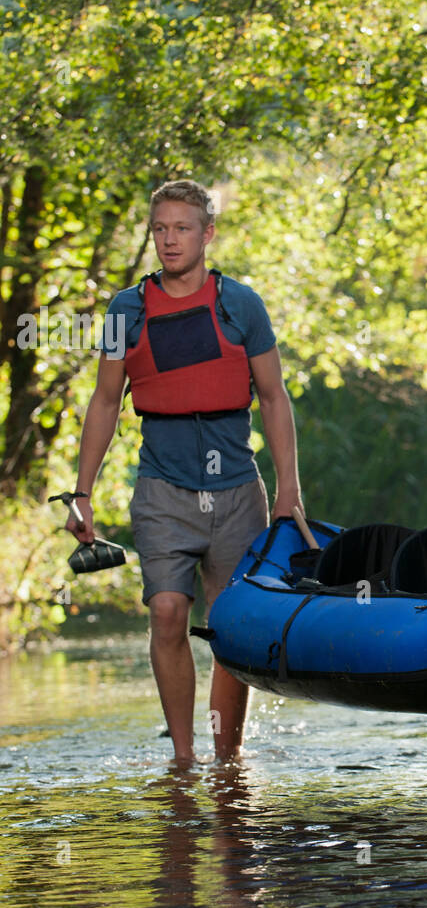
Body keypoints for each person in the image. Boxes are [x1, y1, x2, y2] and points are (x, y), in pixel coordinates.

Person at [65, 180, 305, 765]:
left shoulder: (240, 304)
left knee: (230, 628)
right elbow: (104, 402)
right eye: (161, 229)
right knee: (168, 610)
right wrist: (81, 493)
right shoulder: (127, 309)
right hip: (162, 490)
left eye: (183, 228)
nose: (170, 240)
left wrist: (288, 491)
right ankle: (183, 757)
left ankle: (228, 758)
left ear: (207, 234)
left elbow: (273, 399)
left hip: (237, 493)